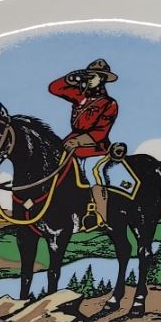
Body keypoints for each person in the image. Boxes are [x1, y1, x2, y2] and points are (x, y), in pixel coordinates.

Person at [47, 58, 131, 226]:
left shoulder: (109, 103)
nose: (89, 79)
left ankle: (102, 217)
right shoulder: (80, 96)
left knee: (93, 173)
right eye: (88, 75)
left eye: (94, 76)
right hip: (71, 143)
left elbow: (100, 132)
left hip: (95, 147)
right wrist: (70, 78)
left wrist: (78, 141)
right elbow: (54, 88)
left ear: (102, 79)